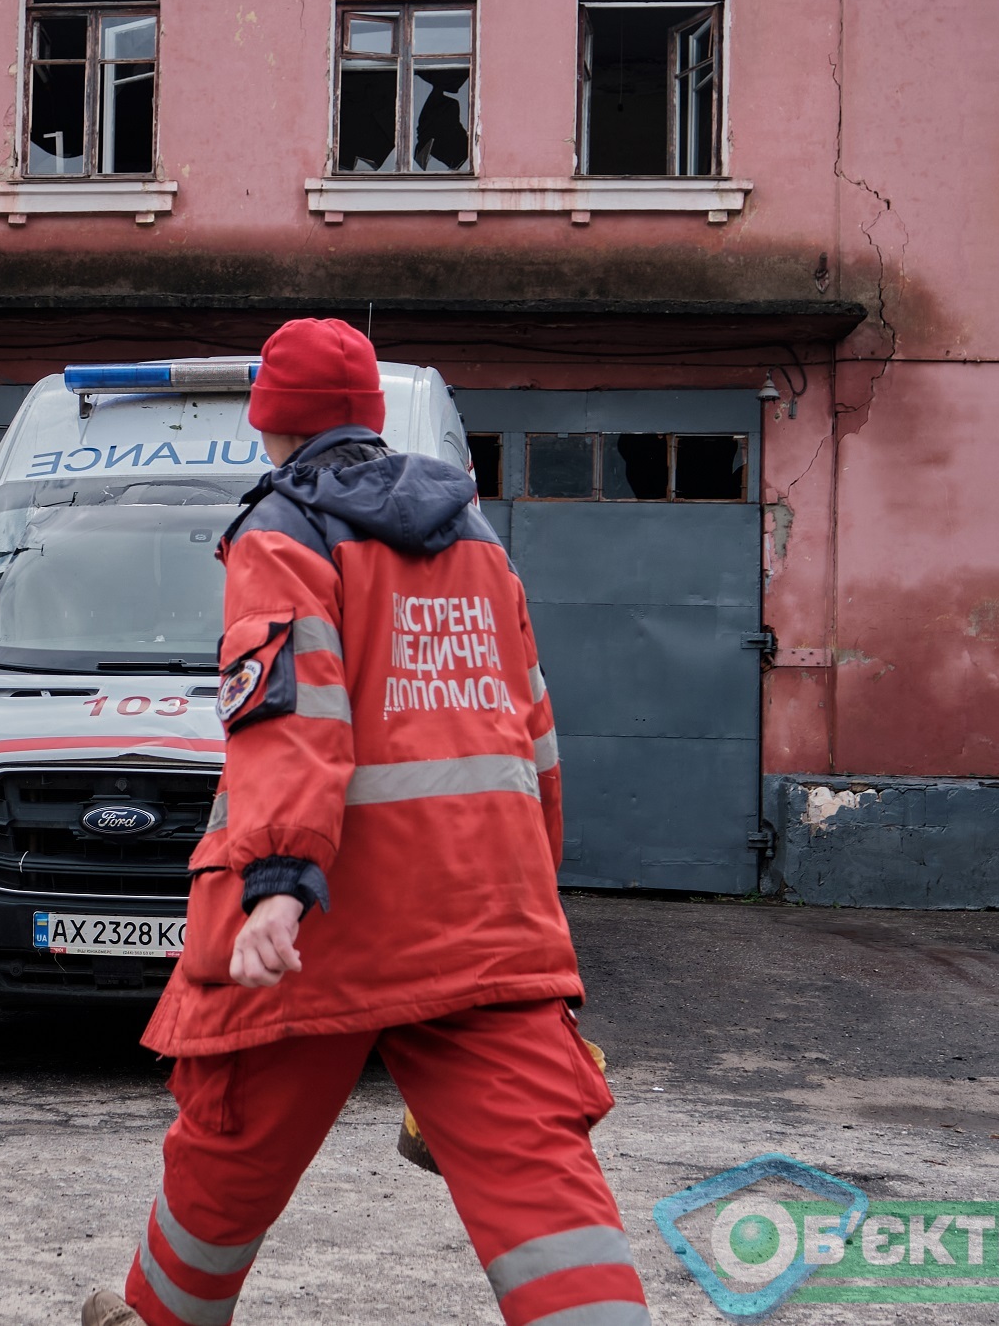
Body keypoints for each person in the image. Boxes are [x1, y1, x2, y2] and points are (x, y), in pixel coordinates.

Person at [81, 319, 649, 1326]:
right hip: (481, 913)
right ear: (373, 421)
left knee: (230, 1142)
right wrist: (531, 909)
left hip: (326, 928)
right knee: (538, 1176)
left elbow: (290, 723)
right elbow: (532, 739)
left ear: (269, 425)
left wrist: (276, 886)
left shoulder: (281, 533)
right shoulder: (475, 540)